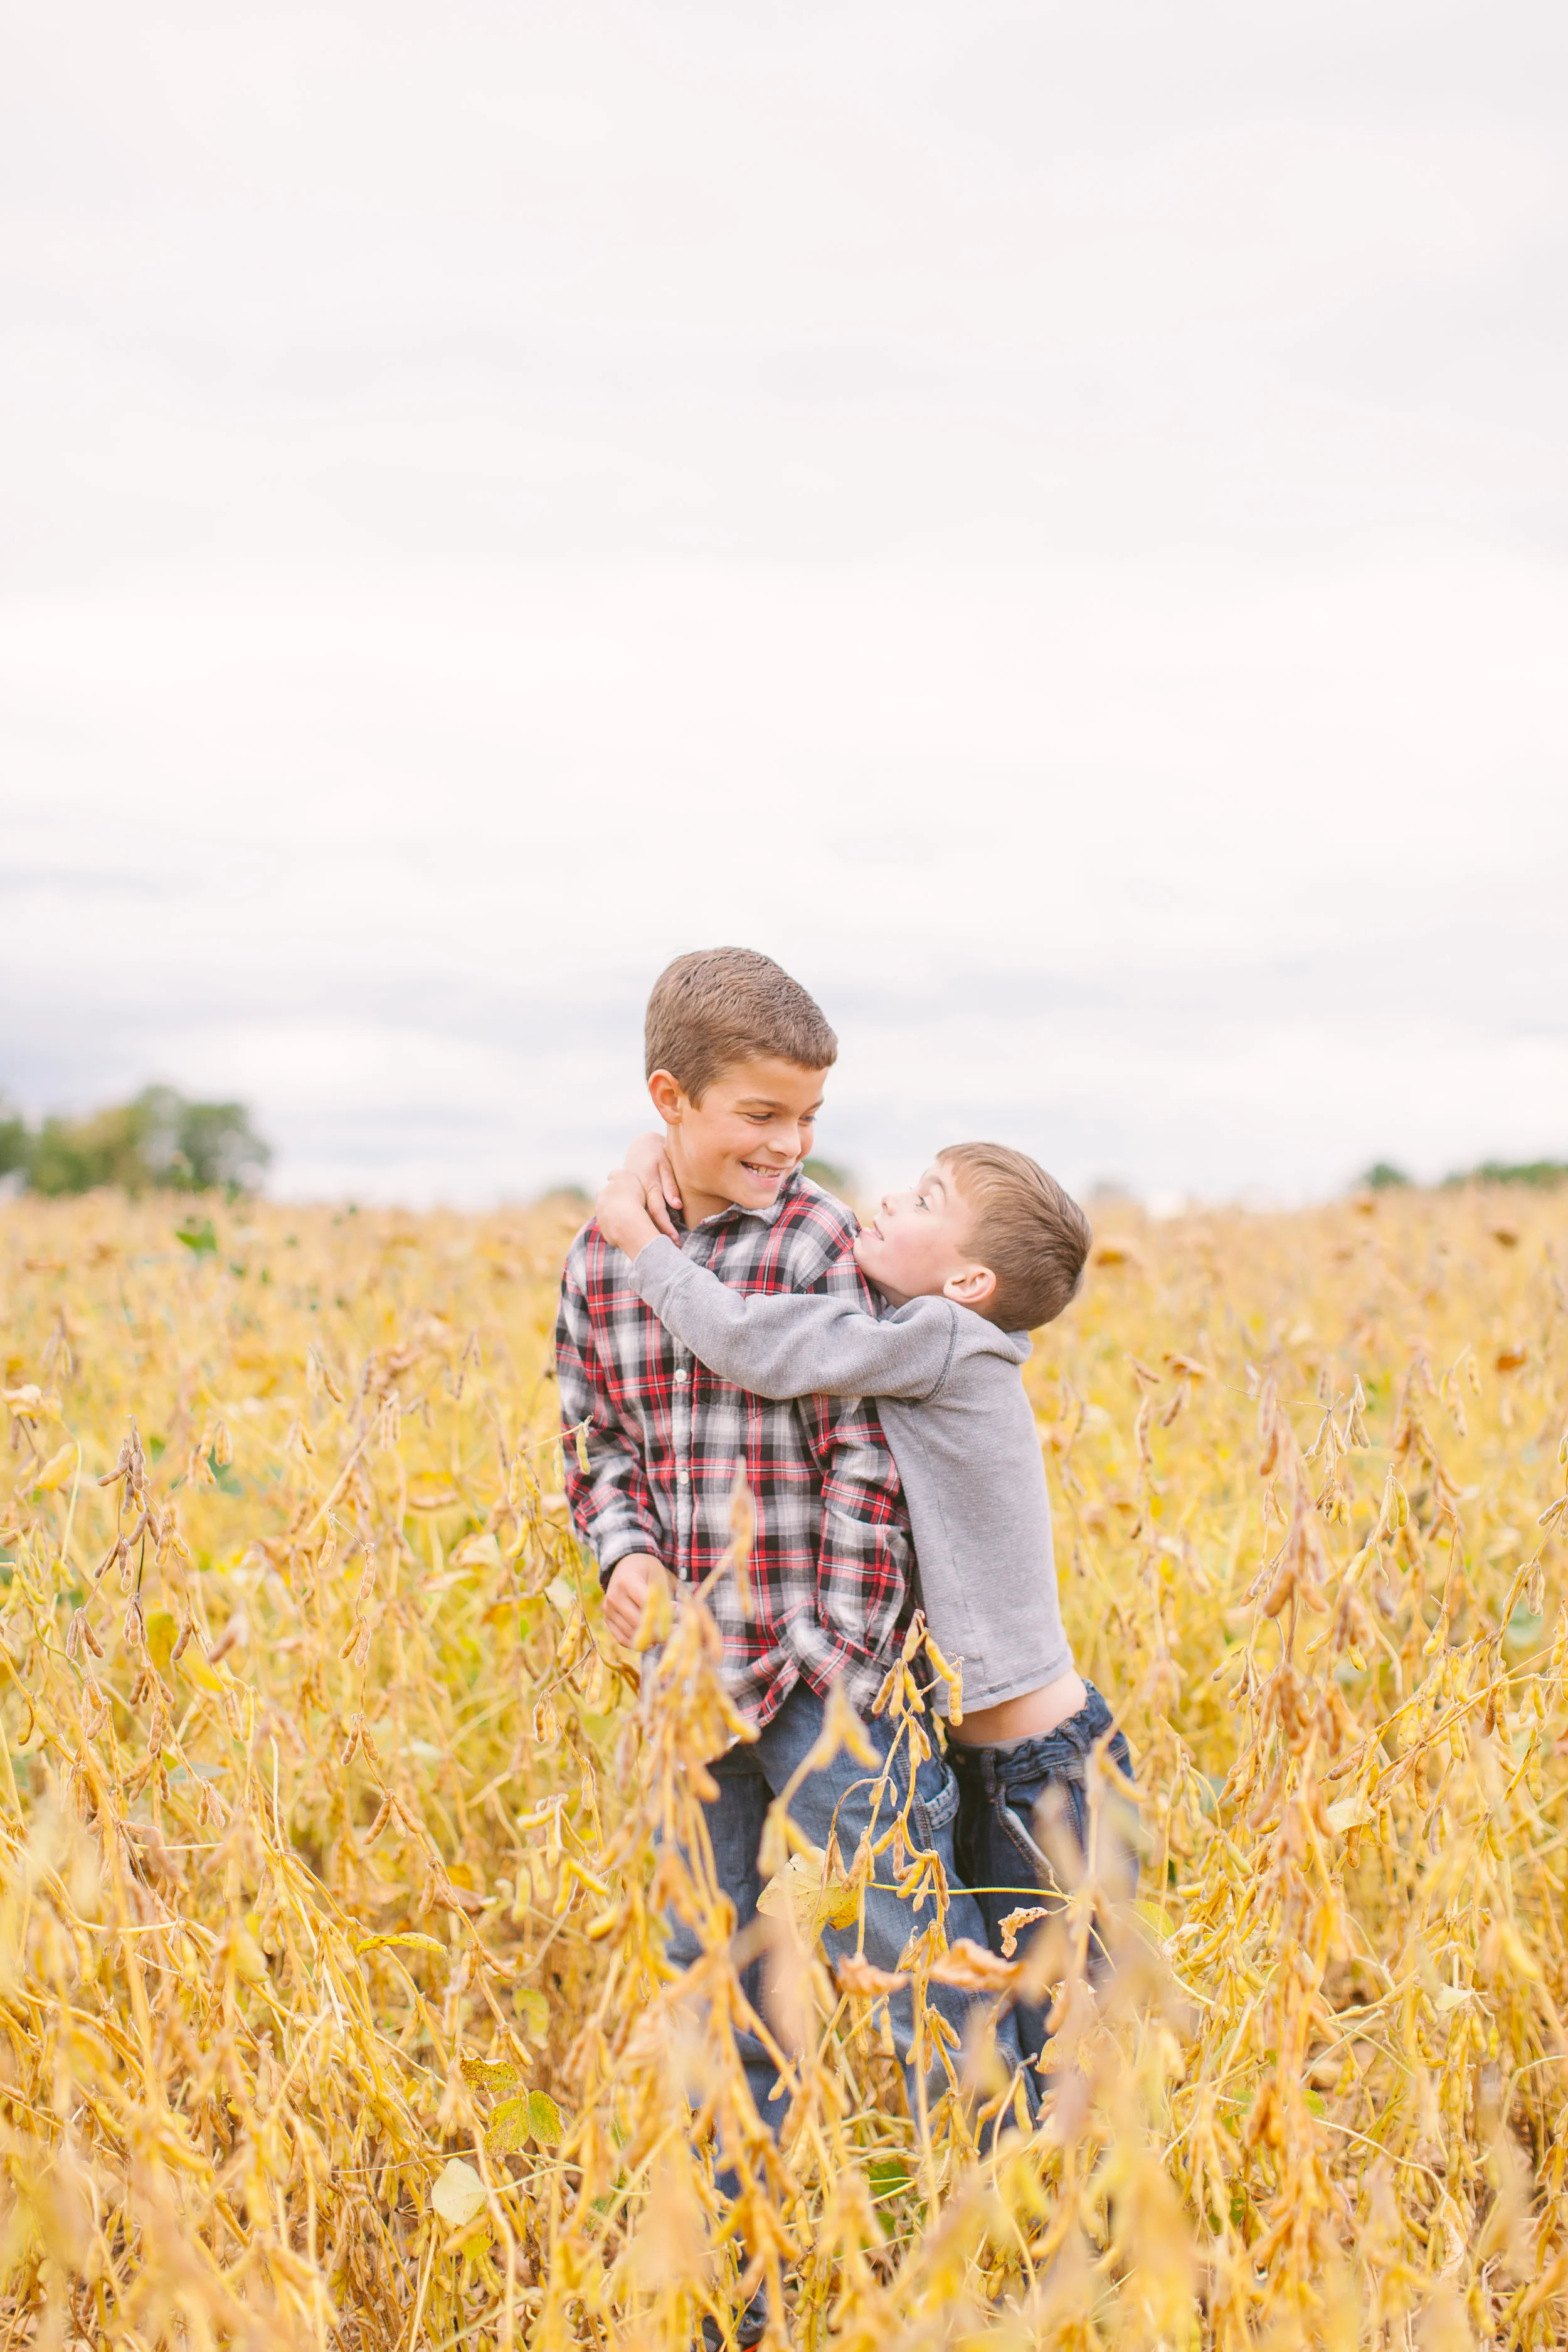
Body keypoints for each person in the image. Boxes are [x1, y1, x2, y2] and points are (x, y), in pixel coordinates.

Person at [554, 950, 1024, 2164]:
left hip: (831, 1687)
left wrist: (836, 1661)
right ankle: (732, 2254)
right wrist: (622, 1559)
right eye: (759, 1115)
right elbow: (596, 1439)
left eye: (808, 1116)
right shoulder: (597, 1262)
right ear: (670, 1098)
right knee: (711, 1971)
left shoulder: (821, 1244)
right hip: (687, 1689)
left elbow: (868, 1467)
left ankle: (991, 2232)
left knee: (913, 1951)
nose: (787, 1143)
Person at [594, 1135, 1135, 2074]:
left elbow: (755, 1344)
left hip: (1043, 1778)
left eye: (925, 1200)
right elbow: (806, 1233)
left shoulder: (946, 1344)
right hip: (994, 1763)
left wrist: (642, 1237)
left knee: (1068, 2032)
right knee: (1015, 2007)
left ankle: (1066, 2215)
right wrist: (684, 1153)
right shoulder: (938, 1335)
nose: (887, 1201)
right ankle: (1018, 2206)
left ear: (968, 1280)